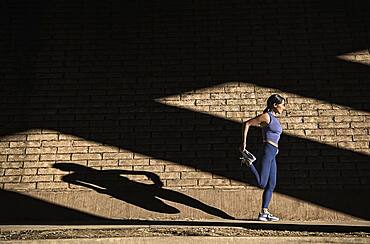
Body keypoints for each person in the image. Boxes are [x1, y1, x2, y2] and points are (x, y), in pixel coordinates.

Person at [240, 94, 286, 221]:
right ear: (275, 105)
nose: (284, 107)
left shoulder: (274, 119)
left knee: (272, 184)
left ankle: (264, 212)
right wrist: (243, 144)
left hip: (273, 152)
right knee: (262, 183)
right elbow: (247, 124)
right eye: (282, 104)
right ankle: (248, 162)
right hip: (267, 150)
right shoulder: (266, 116)